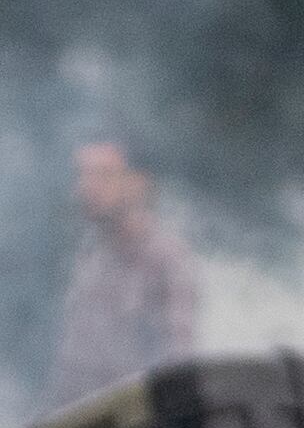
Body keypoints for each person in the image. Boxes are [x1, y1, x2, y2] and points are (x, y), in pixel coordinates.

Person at [43, 135, 200, 410]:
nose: (85, 188)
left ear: (138, 184)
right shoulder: (91, 260)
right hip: (88, 426)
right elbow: (72, 371)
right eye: (83, 175)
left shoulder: (166, 259)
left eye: (103, 175)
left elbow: (178, 360)